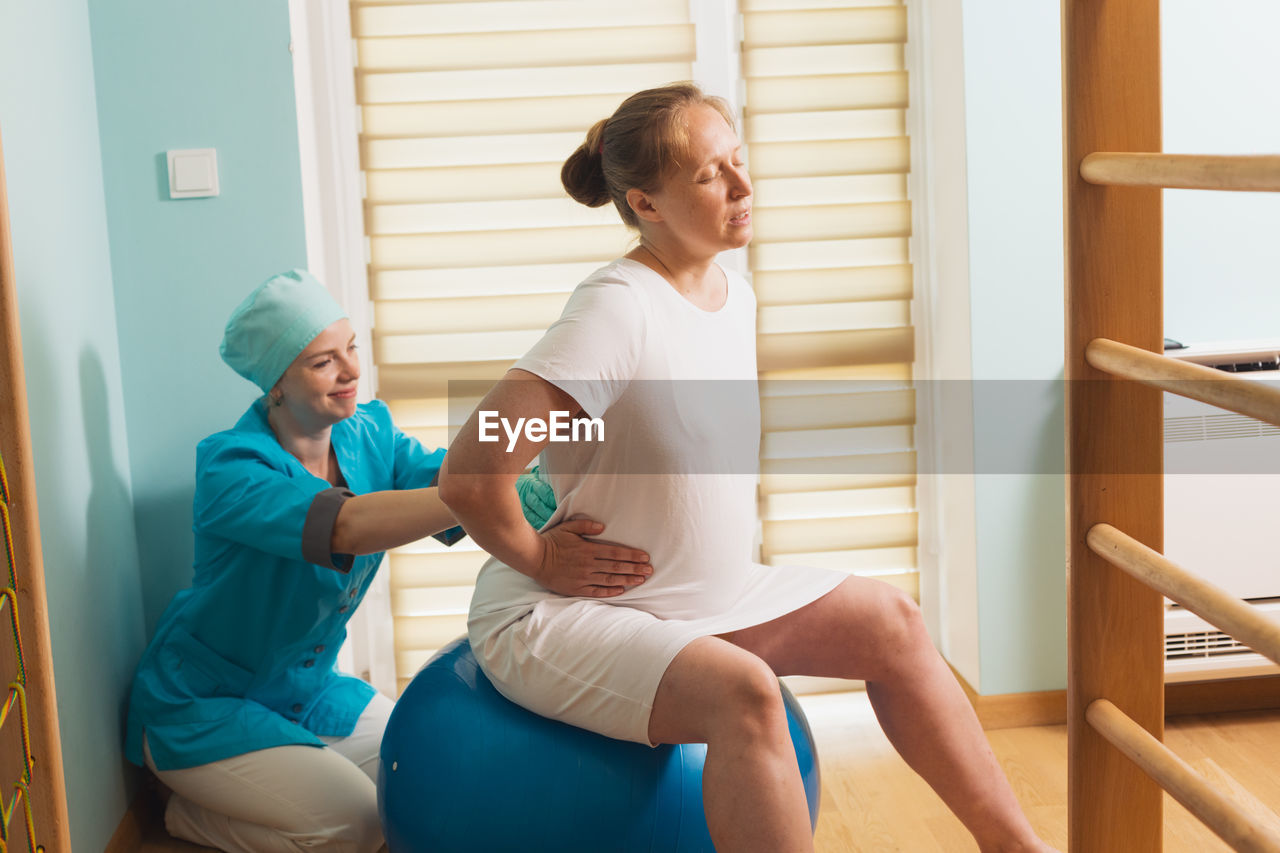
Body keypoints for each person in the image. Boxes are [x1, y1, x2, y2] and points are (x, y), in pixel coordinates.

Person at [439, 84, 1058, 852]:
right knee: (746, 696)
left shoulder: (732, 292)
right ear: (647, 203)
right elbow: (469, 471)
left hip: (696, 596)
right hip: (566, 619)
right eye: (709, 174)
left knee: (893, 624)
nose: (743, 186)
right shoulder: (616, 309)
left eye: (739, 160)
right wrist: (538, 557)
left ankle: (1017, 847)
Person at [123, 270, 649, 852]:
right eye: (323, 362)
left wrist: (544, 485)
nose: (350, 371)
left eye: (351, 347)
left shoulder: (368, 432)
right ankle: (185, 816)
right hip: (203, 705)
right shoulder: (230, 469)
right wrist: (480, 493)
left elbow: (451, 478)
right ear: (276, 383)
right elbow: (349, 524)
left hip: (309, 692)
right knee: (353, 826)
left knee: (434, 778)